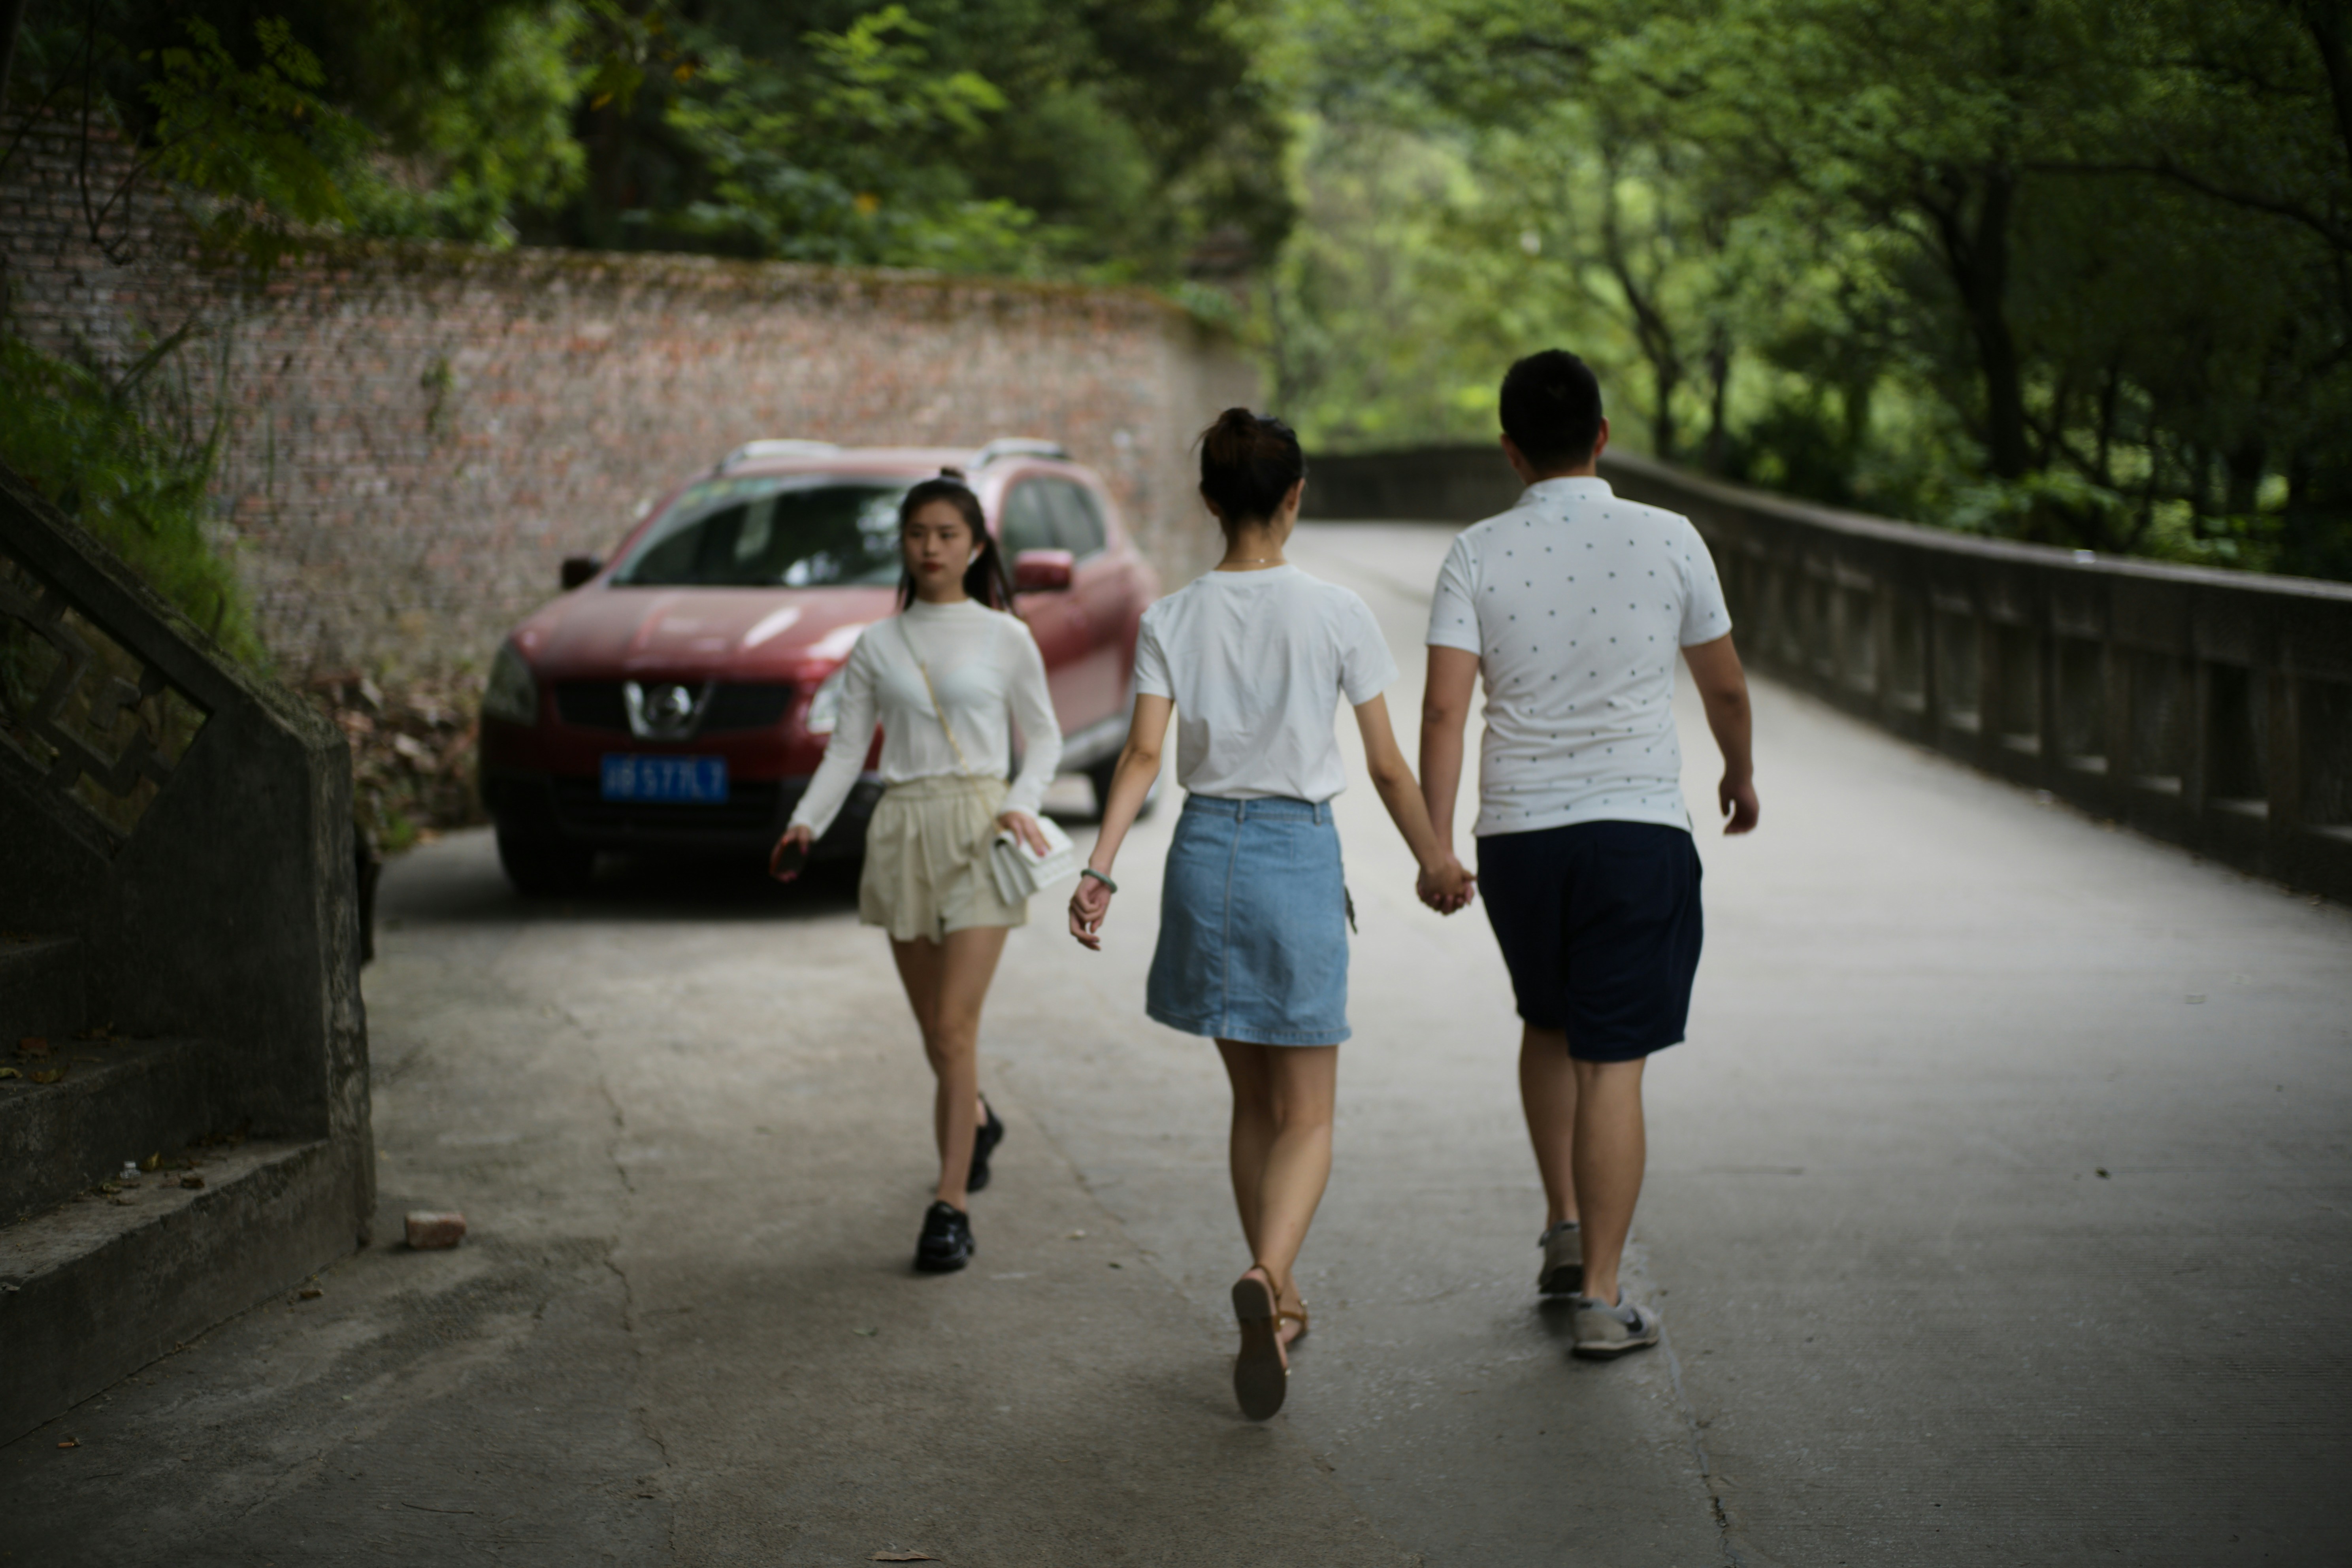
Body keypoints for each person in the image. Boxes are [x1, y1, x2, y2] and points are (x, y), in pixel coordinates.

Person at [1069, 409, 1473, 1421]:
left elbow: (1142, 759)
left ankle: (1279, 1296)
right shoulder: (1337, 612)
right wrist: (1435, 856)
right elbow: (1384, 764)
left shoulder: (1172, 618)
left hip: (1204, 854)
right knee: (1311, 1113)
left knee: (1253, 1104)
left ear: (1209, 501)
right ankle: (1269, 1274)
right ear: (1297, 496)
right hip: (1295, 856)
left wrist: (1101, 868)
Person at [1418, 350, 1758, 1359]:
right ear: (1603, 436)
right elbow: (1726, 685)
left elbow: (1444, 706)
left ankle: (1564, 1228)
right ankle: (1605, 1299)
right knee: (1614, 1062)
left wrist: (1437, 844)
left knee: (1549, 1019)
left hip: (1519, 837)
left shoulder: (1475, 552)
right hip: (1638, 832)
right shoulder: (1670, 536)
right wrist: (1739, 772)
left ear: (1511, 453)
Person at [771, 468, 1060, 1274]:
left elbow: (1046, 739)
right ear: (904, 545)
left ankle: (950, 1204)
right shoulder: (878, 644)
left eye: (947, 535)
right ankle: (976, 1115)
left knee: (950, 1028)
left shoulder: (1007, 636)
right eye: (917, 534)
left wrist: (1025, 800)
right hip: (901, 828)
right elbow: (843, 749)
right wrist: (805, 825)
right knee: (937, 1033)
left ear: (975, 548)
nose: (930, 548)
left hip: (980, 828)